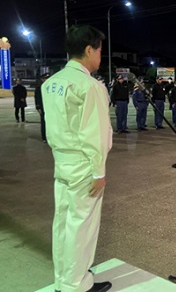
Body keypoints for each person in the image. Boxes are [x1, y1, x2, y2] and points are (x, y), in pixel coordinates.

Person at [42, 25, 113, 292]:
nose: (100, 56)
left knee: (63, 222)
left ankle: (64, 279)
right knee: (82, 226)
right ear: (88, 50)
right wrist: (99, 171)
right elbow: (94, 134)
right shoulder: (89, 86)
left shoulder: (51, 83)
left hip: (62, 161)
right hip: (84, 164)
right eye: (99, 50)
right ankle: (77, 284)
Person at [35, 73, 50, 142]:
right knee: (43, 123)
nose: (46, 80)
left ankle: (50, 136)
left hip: (50, 107)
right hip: (43, 108)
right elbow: (37, 98)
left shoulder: (50, 86)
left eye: (47, 78)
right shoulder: (38, 88)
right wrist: (38, 107)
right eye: (45, 78)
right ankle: (44, 137)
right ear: (42, 79)